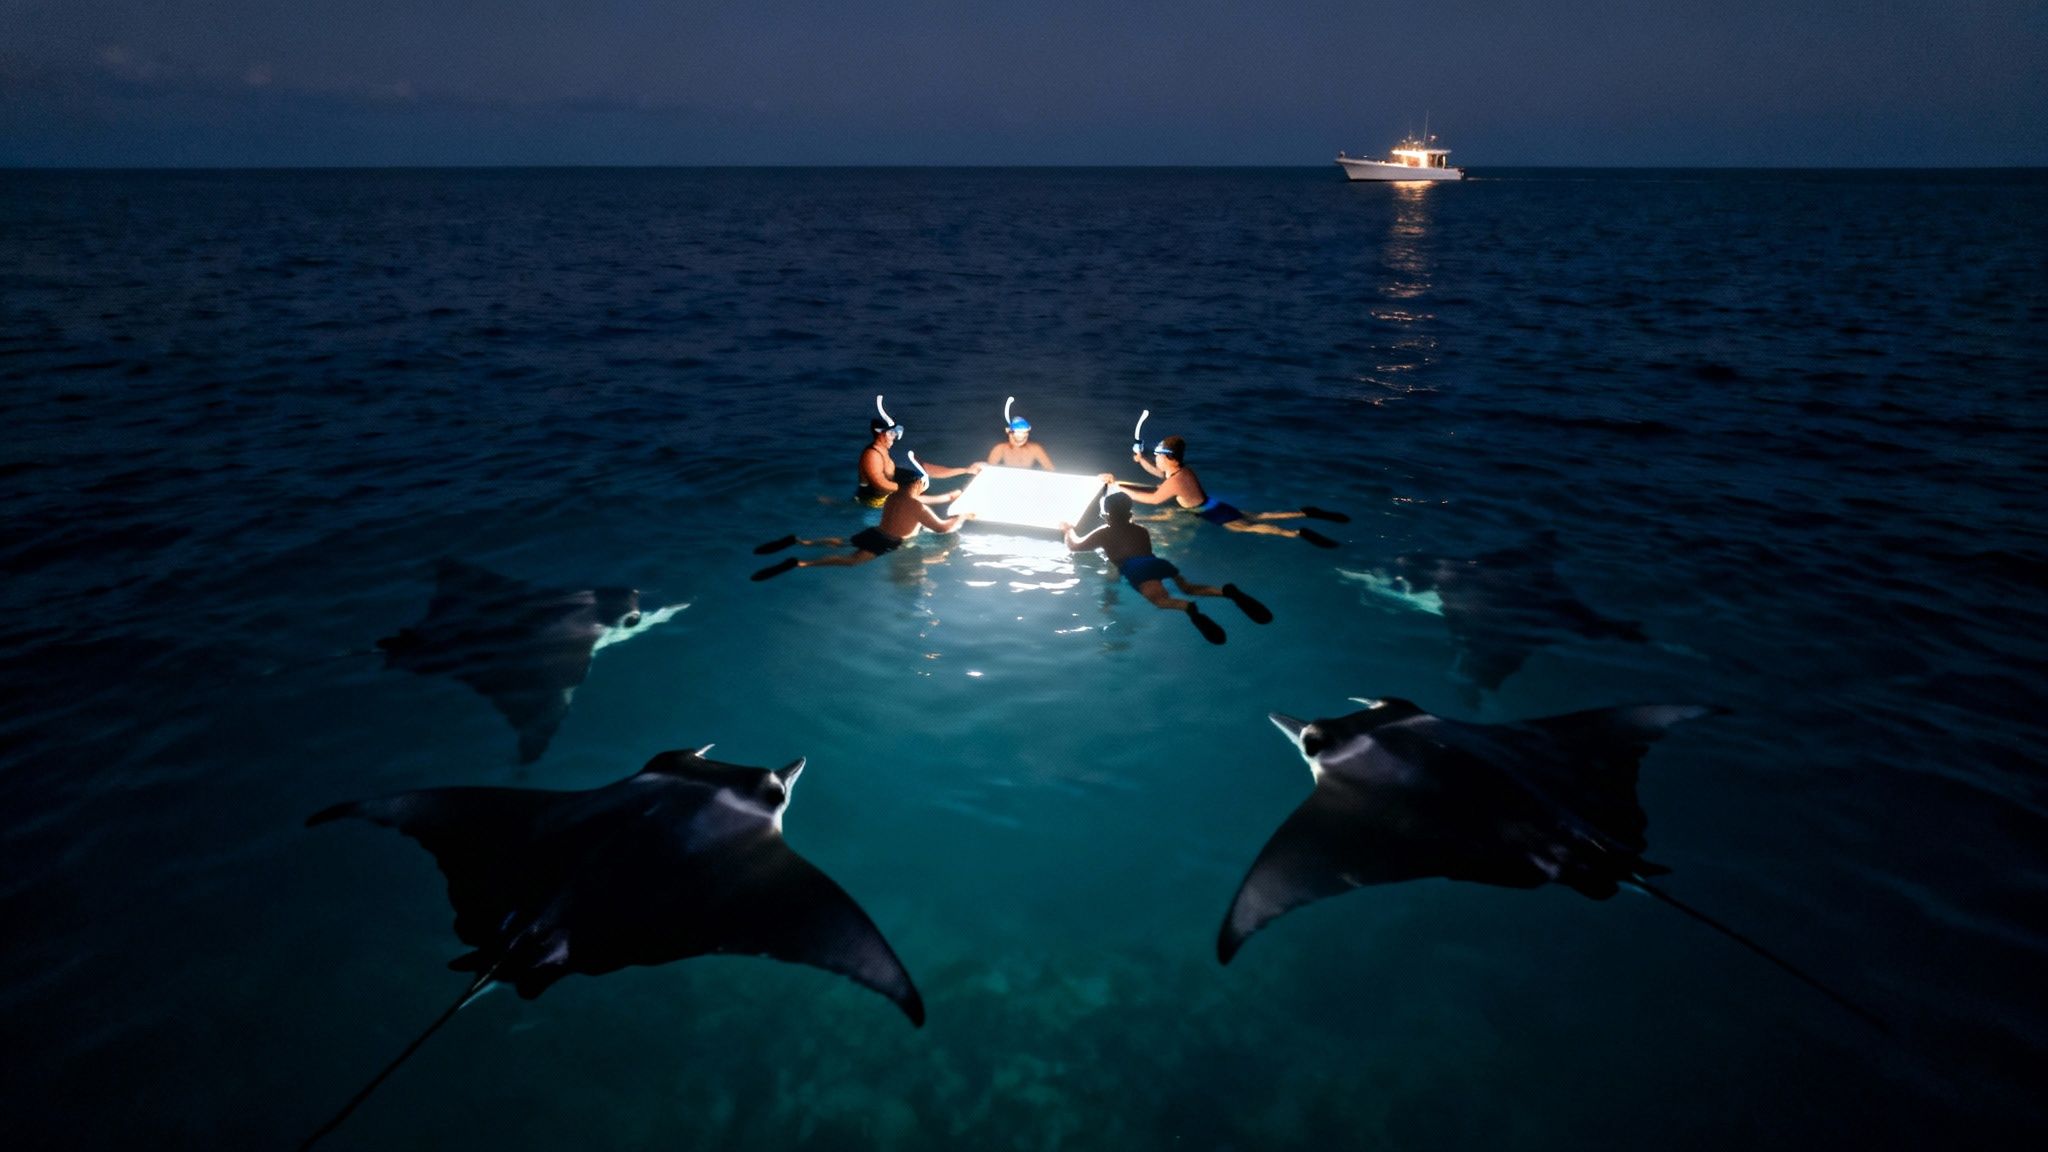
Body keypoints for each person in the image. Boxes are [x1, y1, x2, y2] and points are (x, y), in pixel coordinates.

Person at [1059, 490, 1272, 644]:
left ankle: (1188, 608)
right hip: (1157, 563)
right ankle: (1226, 592)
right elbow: (1146, 552)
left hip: (1136, 569)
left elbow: (1075, 546)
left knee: (1161, 601)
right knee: (1188, 587)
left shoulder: (1104, 532)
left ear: (1107, 514)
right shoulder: (1141, 530)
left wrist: (1068, 529)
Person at [1098, 435, 1345, 548]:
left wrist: (1121, 489)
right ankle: (1303, 513)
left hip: (1211, 513)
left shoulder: (1175, 480)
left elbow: (1153, 499)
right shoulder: (1181, 471)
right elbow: (1158, 474)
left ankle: (1296, 533)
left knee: (1250, 527)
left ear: (1170, 458)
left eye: (1158, 455)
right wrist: (1141, 460)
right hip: (1214, 504)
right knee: (1257, 515)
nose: (1155, 457)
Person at [755, 463, 976, 580]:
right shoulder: (917, 507)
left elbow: (918, 500)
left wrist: (950, 496)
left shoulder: (894, 496)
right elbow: (942, 528)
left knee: (845, 541)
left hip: (876, 532)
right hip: (887, 542)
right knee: (851, 561)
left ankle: (802, 542)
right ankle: (801, 563)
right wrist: (963, 516)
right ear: (915, 485)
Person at [857, 412, 979, 508]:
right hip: (873, 506)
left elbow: (926, 469)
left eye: (896, 433)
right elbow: (880, 484)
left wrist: (965, 470)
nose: (894, 437)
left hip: (890, 501)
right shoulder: (872, 456)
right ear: (879, 433)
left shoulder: (888, 452)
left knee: (917, 479)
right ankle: (945, 500)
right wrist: (909, 490)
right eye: (891, 433)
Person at [986, 414, 1054, 470]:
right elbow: (989, 470)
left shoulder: (1035, 449)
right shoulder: (1000, 448)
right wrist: (981, 467)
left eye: (1025, 433)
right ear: (1009, 432)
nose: (1022, 436)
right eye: (1018, 432)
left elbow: (1050, 468)